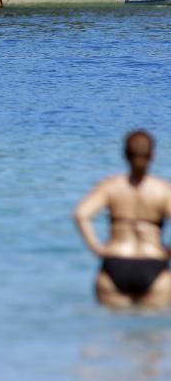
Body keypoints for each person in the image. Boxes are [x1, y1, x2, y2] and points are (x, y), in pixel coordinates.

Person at [73, 131, 171, 309]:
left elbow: (81, 214)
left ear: (125, 154)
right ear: (153, 155)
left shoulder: (111, 186)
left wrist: (96, 248)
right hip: (154, 262)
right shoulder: (163, 190)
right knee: (154, 332)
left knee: (113, 333)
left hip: (115, 261)